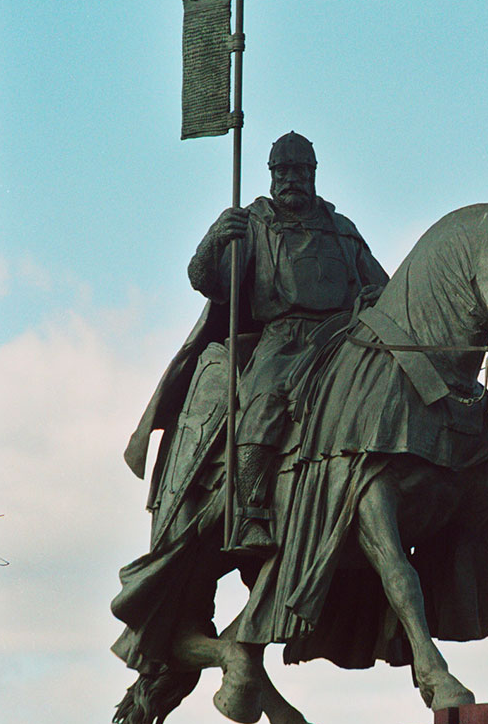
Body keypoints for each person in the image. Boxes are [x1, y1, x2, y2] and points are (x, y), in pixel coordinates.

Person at [124, 131, 388, 553]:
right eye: (281, 171)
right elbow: (207, 282)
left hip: (343, 337)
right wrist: (215, 238)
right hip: (283, 339)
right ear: (270, 175)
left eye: (299, 170)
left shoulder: (342, 230)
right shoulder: (253, 223)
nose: (290, 179)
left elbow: (384, 287)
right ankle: (252, 512)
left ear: (313, 173)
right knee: (263, 402)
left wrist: (378, 296)